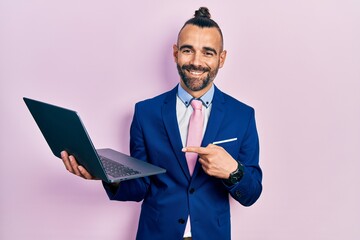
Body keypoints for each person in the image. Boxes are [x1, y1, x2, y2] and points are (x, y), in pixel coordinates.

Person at [61, 7, 262, 240]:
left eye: (208, 53)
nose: (196, 62)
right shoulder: (146, 112)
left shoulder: (242, 115)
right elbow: (140, 187)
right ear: (176, 53)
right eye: (188, 50)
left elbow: (252, 193)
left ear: (221, 58)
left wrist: (233, 172)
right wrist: (105, 176)